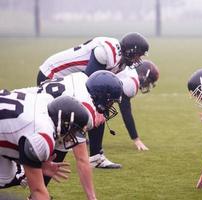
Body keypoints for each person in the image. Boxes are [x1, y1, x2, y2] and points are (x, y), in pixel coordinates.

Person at [36, 32, 151, 168]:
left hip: (69, 79)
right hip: (53, 75)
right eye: (138, 55)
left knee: (100, 107)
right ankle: (37, 156)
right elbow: (90, 81)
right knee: (90, 109)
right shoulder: (108, 52)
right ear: (131, 51)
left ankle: (95, 156)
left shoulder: (120, 61)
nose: (138, 60)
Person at [30, 70, 123, 199]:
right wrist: (92, 198)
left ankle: (37, 194)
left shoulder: (82, 78)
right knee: (16, 172)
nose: (111, 105)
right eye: (110, 101)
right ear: (101, 95)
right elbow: (82, 160)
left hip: (28, 103)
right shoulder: (83, 110)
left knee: (60, 144)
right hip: (27, 118)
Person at [0, 93, 89, 200]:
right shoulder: (43, 135)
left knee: (6, 175)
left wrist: (39, 165)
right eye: (74, 130)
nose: (73, 136)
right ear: (63, 122)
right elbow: (38, 192)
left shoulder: (44, 99)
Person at [89, 59, 159, 167]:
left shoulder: (128, 71)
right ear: (144, 75)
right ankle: (94, 153)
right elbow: (126, 112)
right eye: (149, 81)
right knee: (101, 113)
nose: (147, 84)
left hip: (90, 82)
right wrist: (136, 139)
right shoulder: (131, 81)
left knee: (98, 112)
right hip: (93, 88)